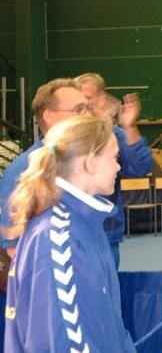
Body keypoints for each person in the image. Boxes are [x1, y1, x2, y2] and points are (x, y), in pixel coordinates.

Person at [4, 115, 136, 352]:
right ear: (90, 162)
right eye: (114, 158)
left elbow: (112, 324)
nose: (119, 166)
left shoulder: (89, 224)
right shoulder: (57, 237)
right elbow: (62, 343)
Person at [0, 78, 92, 347]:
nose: (87, 115)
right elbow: (14, 251)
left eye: (87, 108)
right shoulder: (23, 171)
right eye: (78, 110)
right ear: (49, 117)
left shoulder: (70, 166)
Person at [74, 73, 152, 268]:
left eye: (88, 98)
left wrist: (128, 126)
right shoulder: (67, 137)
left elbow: (140, 167)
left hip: (106, 232)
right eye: (79, 100)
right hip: (73, 229)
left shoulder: (116, 135)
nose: (83, 105)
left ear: (101, 98)